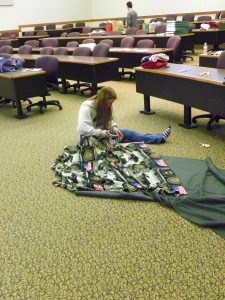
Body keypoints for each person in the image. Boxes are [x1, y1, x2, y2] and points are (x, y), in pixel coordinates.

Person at [77, 87, 171, 144]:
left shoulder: (104, 105)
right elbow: (83, 129)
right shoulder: (86, 107)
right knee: (117, 143)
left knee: (130, 133)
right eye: (109, 103)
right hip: (90, 136)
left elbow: (109, 120)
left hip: (103, 131)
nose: (110, 105)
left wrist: (114, 128)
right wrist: (102, 133)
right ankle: (119, 141)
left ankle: (160, 137)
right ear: (102, 100)